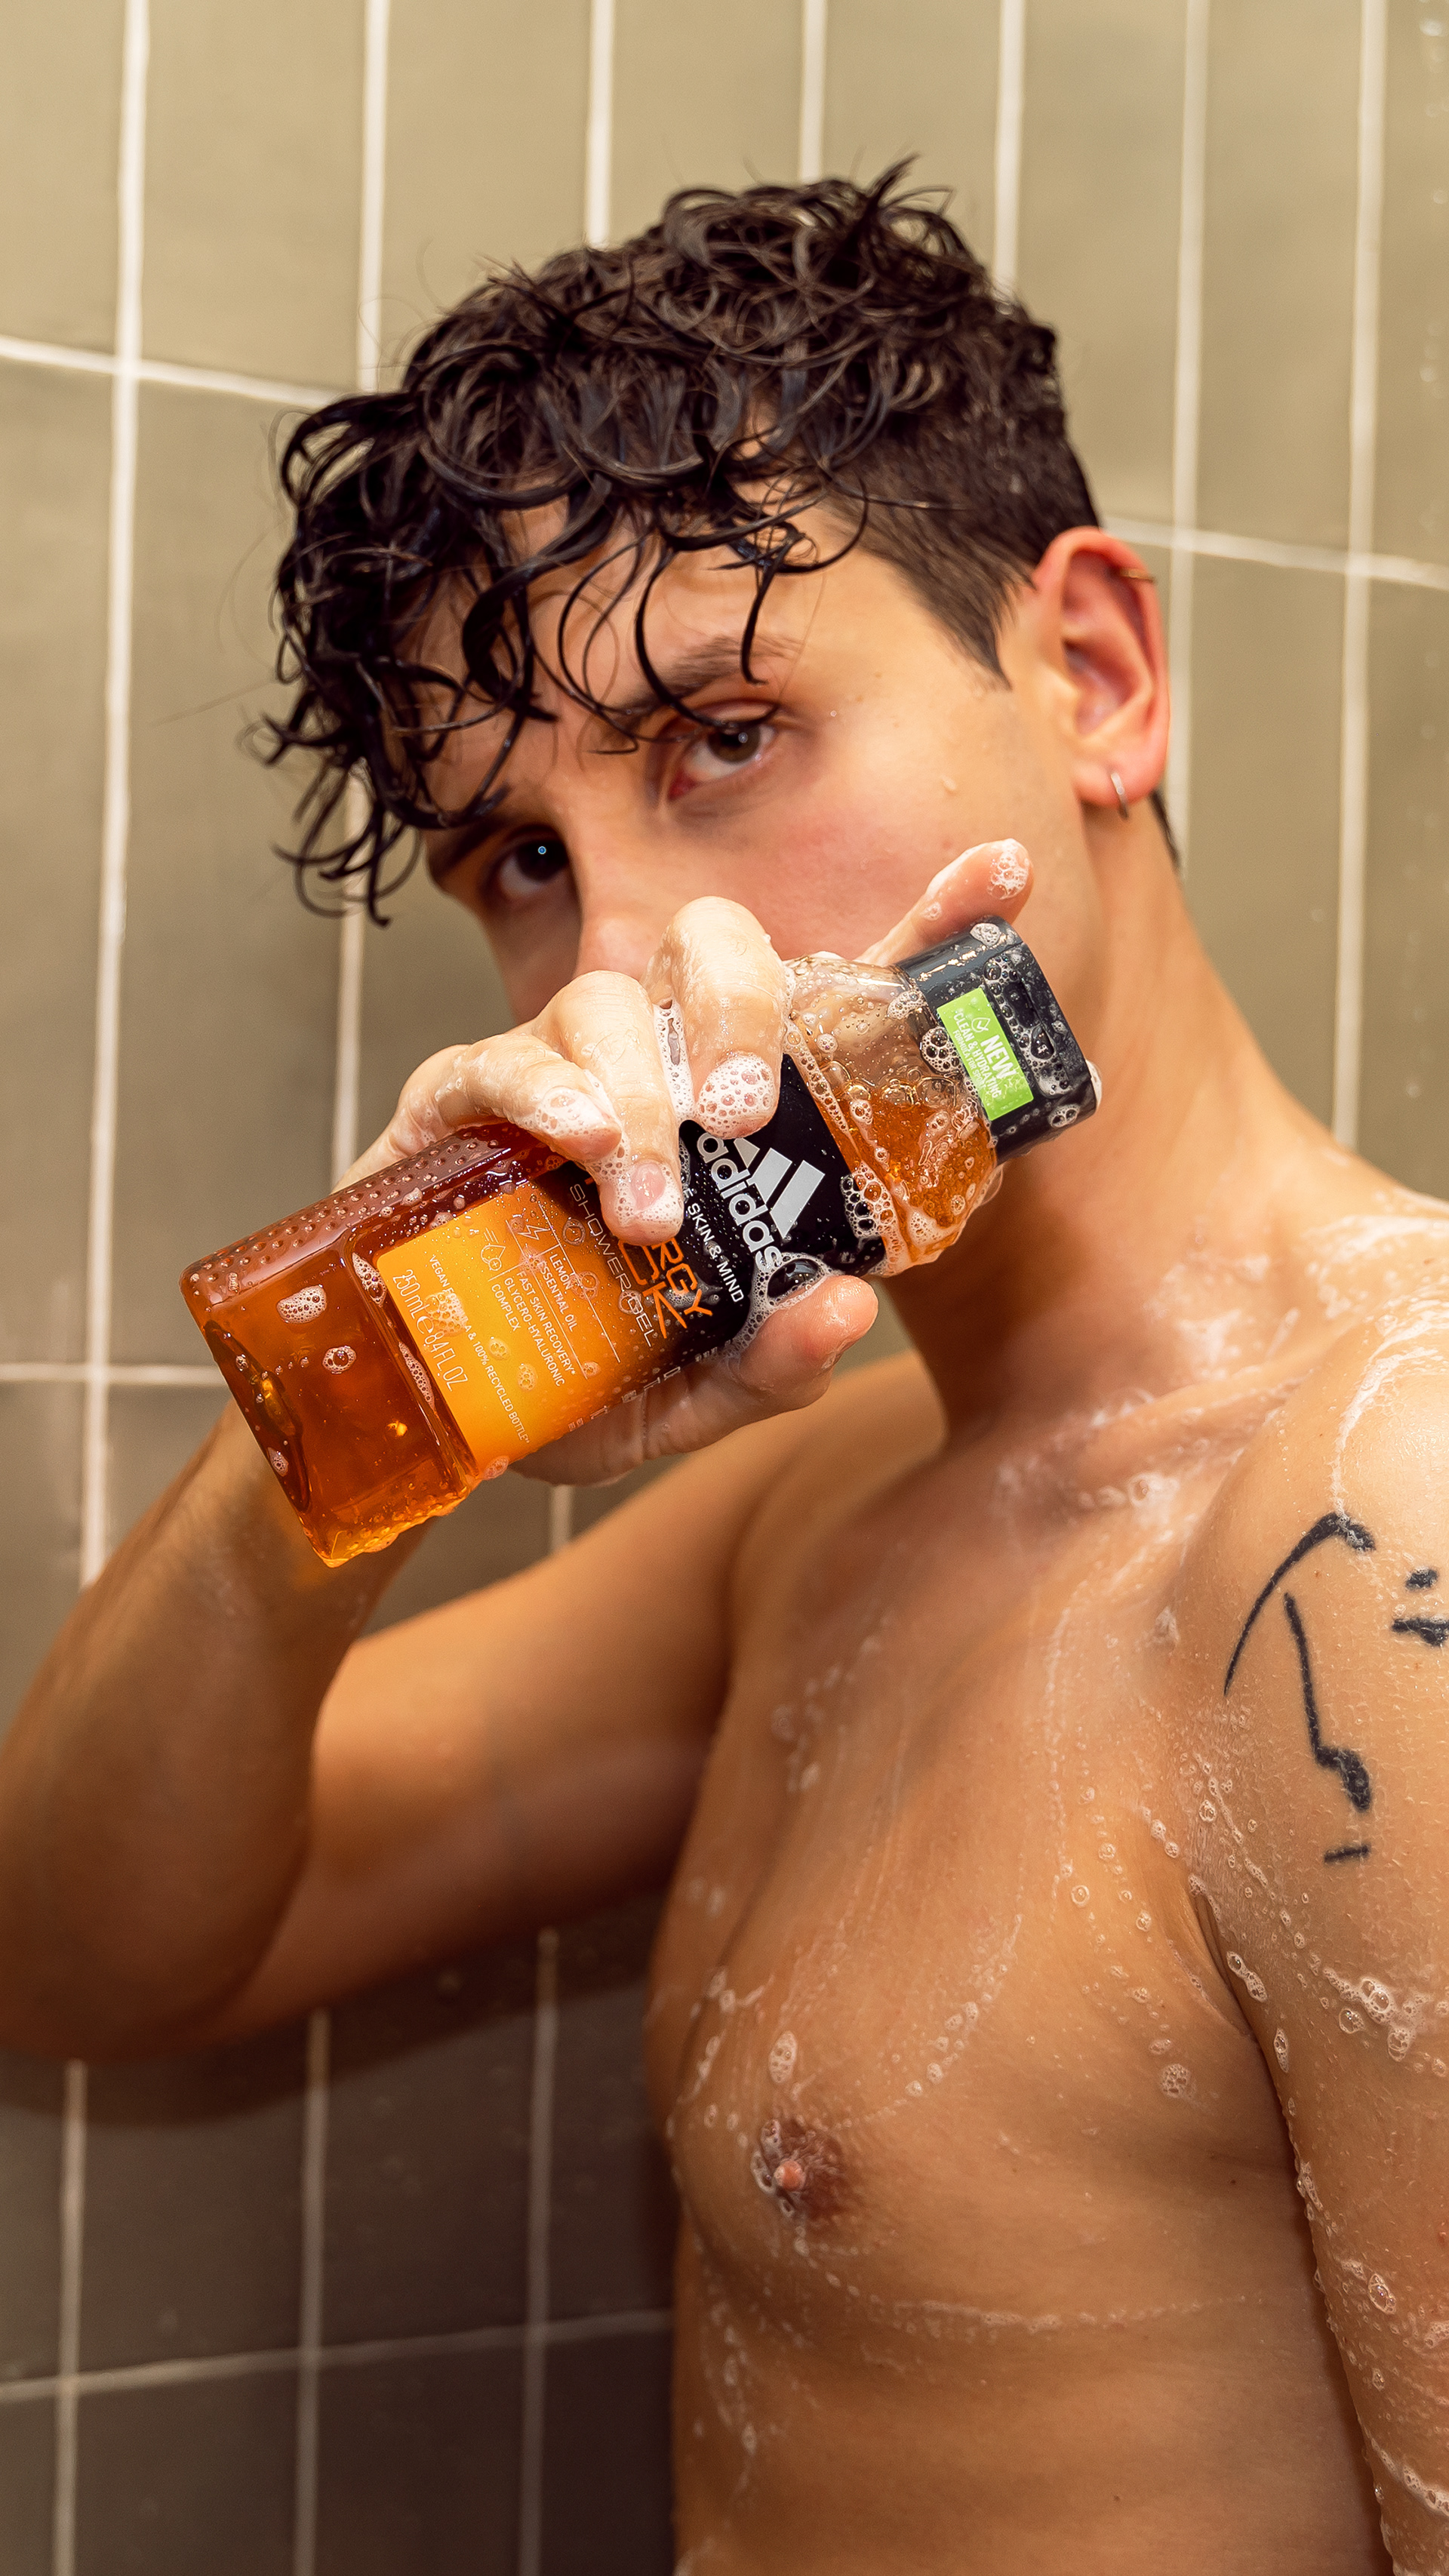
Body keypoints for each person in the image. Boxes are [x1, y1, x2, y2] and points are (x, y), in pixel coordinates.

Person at [2, 171, 1444, 2572]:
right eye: (520, 862)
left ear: (1094, 679)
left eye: (726, 735)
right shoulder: (827, 1511)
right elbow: (88, 1950)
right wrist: (370, 1412)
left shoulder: (1386, 1517)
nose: (626, 960)